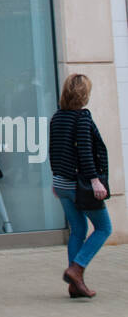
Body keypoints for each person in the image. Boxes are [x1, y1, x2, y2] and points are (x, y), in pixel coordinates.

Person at [49, 73, 111, 299]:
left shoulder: (57, 117)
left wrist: (56, 179)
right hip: (81, 185)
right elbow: (85, 151)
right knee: (104, 228)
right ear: (83, 94)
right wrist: (95, 180)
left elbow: (53, 151)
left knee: (78, 230)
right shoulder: (82, 117)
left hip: (62, 183)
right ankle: (76, 268)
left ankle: (75, 285)